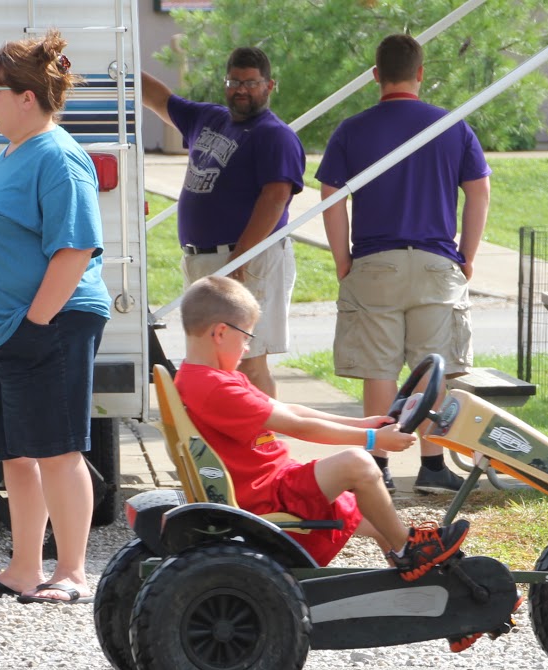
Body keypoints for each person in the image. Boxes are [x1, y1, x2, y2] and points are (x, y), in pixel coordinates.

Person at [176, 276, 468, 579]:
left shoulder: (205, 377)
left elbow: (291, 410)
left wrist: (360, 423)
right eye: (246, 337)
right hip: (264, 494)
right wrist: (371, 438)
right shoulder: (216, 387)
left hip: (268, 483)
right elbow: (299, 427)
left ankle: (415, 574)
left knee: (374, 514)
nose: (247, 347)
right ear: (221, 332)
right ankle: (409, 549)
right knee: (359, 465)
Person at [0, 30, 111, 606]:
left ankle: (71, 571)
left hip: (52, 322)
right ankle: (25, 568)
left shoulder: (59, 155)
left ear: (26, 97)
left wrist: (36, 324)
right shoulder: (13, 152)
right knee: (16, 455)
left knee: (59, 450)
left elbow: (74, 249)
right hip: (6, 330)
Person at [315, 33, 491, 495]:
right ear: (420, 73)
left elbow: (330, 195)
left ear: (376, 75)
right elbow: (479, 190)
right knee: (433, 369)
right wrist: (467, 254)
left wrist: (341, 259)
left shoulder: (352, 129)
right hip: (436, 261)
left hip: (374, 261)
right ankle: (433, 466)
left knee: (380, 369)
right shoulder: (451, 126)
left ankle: (379, 464)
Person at [142, 46, 304, 398]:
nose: (240, 90)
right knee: (211, 360)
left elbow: (276, 197)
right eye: (234, 81)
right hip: (205, 260)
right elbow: (158, 98)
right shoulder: (208, 118)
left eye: (250, 82)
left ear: (269, 85)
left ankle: (261, 443)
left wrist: (240, 257)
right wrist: (116, 68)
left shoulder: (274, 135)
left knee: (249, 361)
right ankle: (227, 441)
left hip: (247, 263)